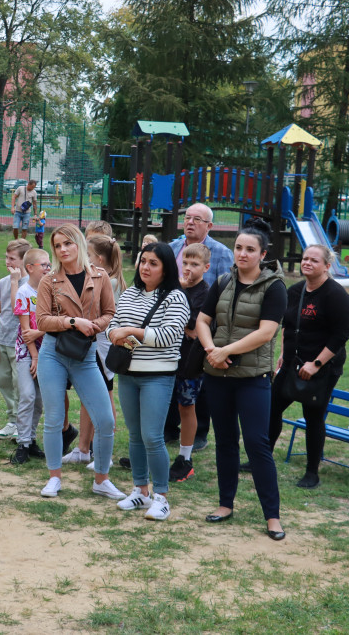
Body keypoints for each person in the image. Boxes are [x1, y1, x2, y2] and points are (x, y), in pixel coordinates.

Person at [195, 217, 287, 540]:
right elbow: (203, 320)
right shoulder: (222, 281)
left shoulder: (274, 287)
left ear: (263, 254)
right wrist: (211, 349)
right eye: (238, 248)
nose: (242, 254)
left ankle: (272, 516)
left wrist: (226, 350)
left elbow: (266, 332)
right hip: (217, 375)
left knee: (257, 443)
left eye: (250, 249)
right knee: (224, 441)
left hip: (252, 377)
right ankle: (225, 504)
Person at [106, 242, 190, 521]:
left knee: (152, 436)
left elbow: (168, 336)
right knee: (134, 435)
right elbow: (113, 324)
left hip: (158, 375)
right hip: (128, 373)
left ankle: (161, 497)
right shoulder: (130, 293)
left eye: (153, 263)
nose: (145, 267)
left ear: (165, 268)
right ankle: (140, 490)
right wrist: (114, 334)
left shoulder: (176, 297)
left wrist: (131, 331)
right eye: (143, 261)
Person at [35, 225, 119, 500]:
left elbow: (110, 313)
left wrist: (94, 325)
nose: (63, 250)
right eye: (58, 245)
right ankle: (54, 477)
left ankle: (102, 479)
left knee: (105, 420)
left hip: (85, 353)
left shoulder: (100, 275)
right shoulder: (49, 280)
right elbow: (42, 320)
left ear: (79, 244)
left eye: (68, 243)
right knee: (55, 417)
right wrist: (72, 322)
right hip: (53, 352)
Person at [268, 245, 349, 489]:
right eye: (305, 258)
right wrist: (283, 355)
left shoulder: (336, 296)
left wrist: (316, 364)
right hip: (293, 360)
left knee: (313, 415)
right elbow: (288, 325)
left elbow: (340, 336)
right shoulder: (295, 291)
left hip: (323, 365)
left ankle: (312, 472)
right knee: (272, 407)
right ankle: (262, 459)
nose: (307, 263)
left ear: (327, 266)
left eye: (314, 260)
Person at [165, 202, 235, 450]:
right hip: (172, 332)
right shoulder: (172, 248)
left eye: (197, 219)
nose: (190, 222)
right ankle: (170, 429)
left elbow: (226, 294)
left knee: (197, 384)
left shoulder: (221, 252)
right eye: (187, 217)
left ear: (209, 226)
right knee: (172, 381)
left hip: (205, 328)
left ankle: (199, 434)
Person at [63, 234, 125, 467]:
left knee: (104, 400)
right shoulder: (104, 278)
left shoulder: (107, 281)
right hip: (94, 346)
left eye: (87, 255)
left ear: (98, 258)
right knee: (88, 399)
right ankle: (83, 449)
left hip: (102, 348)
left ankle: (103, 454)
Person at [168, 243, 211, 483]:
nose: (188, 268)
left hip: (190, 361)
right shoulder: (177, 288)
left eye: (194, 264)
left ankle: (185, 458)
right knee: (161, 404)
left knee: (187, 407)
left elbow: (193, 328)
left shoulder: (205, 292)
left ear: (205, 267)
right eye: (185, 263)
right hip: (168, 356)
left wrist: (180, 294)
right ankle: (147, 452)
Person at [10, 248, 50, 463]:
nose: (48, 268)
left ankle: (31, 439)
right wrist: (34, 357)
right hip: (28, 352)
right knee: (27, 395)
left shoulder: (52, 290)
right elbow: (26, 332)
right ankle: (22, 443)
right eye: (43, 264)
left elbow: (56, 323)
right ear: (30, 268)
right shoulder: (24, 293)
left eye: (48, 264)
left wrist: (41, 356)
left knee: (40, 400)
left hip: (48, 354)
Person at [0, 239, 30, 440]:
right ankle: (12, 420)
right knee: (4, 382)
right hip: (3, 341)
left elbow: (18, 308)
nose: (8, 262)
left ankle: (21, 424)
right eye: (6, 257)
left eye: (12, 259)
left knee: (19, 383)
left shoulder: (31, 283)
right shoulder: (2, 282)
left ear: (24, 261)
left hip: (20, 344)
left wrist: (15, 281)